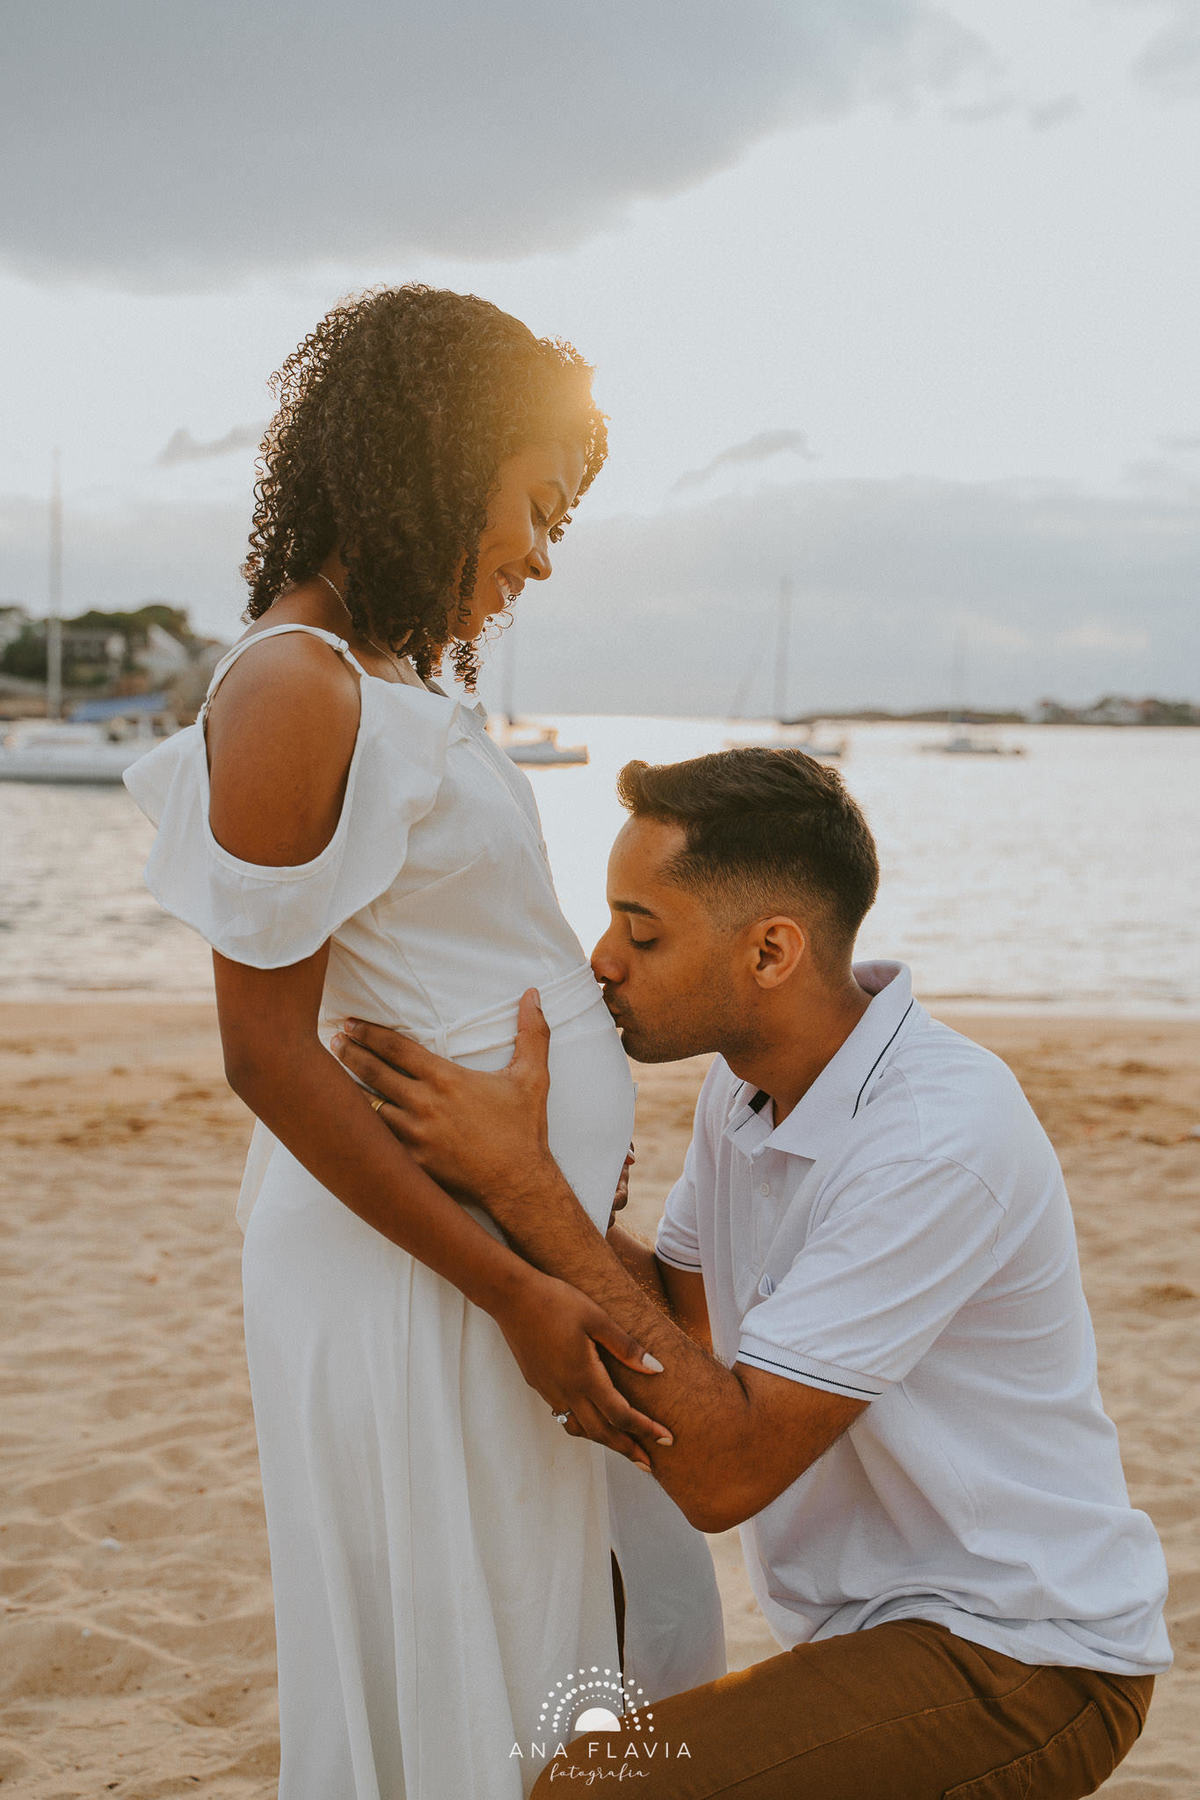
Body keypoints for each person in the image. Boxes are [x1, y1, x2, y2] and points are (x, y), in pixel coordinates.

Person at [124, 285, 723, 1800]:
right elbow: (264, 1053)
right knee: (483, 1646)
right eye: (532, 507)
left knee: (578, 1624)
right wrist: (519, 1286)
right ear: (435, 461)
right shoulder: (291, 687)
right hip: (418, 1268)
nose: (535, 554)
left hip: (493, 1239)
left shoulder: (385, 682)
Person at [335, 745, 1170, 1800]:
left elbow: (723, 1473)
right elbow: (683, 1323)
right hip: (877, 1634)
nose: (602, 959)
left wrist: (527, 1188)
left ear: (771, 952)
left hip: (1022, 1654)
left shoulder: (934, 1139)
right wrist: (521, 1183)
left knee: (595, 1791)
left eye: (642, 931)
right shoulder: (752, 1089)